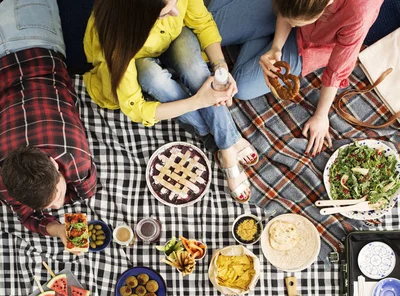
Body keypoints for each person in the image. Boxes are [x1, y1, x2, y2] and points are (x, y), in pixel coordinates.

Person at [83, 0, 259, 204]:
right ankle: (227, 141)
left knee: (195, 71)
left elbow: (202, 22)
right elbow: (138, 109)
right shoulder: (116, 41)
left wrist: (221, 68)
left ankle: (223, 147)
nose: (176, 12)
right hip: (135, 52)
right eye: (165, 13)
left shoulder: (172, 8)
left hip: (174, 38)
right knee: (154, 79)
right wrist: (197, 101)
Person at [208, 0, 384, 156]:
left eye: (295, 23)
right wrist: (276, 48)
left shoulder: (360, 11)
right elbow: (286, 13)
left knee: (243, 87)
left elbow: (337, 69)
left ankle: (256, 32)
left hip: (311, 46)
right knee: (211, 28)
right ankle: (259, 34)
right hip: (283, 8)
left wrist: (321, 115)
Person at [0, 0, 97, 247]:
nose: (57, 206)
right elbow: (28, 215)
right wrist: (59, 230)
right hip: (25, 39)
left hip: (37, 37)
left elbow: (87, 191)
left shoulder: (76, 157)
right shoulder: (5, 181)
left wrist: (62, 204)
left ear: (54, 163)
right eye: (54, 204)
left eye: (56, 197)